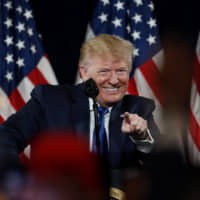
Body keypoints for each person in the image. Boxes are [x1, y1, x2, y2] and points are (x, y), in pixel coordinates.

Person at [0, 34, 159, 183]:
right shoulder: (49, 101)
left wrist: (142, 138)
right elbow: (6, 136)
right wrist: (17, 182)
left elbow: (163, 166)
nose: (114, 80)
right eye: (104, 71)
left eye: (121, 71)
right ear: (84, 73)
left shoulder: (139, 108)